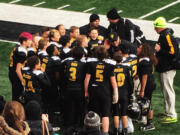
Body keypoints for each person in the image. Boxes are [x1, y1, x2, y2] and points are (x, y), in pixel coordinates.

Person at [84, 46, 118, 134]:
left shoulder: (91, 64)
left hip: (94, 90)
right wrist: (116, 93)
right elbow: (113, 82)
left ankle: (96, 131)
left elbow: (87, 79)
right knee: (105, 113)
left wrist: (86, 92)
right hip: (105, 91)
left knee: (95, 112)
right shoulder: (109, 65)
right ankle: (105, 132)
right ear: (106, 54)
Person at [154, 17, 178, 123]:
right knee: (165, 91)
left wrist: (160, 50)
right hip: (164, 67)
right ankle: (168, 111)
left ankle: (172, 115)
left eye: (155, 27)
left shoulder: (167, 36)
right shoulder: (164, 35)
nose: (154, 29)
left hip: (168, 68)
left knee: (169, 91)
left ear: (159, 27)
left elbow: (173, 53)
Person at [61, 46, 86, 129]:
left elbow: (61, 63)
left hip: (69, 88)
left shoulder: (67, 61)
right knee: (80, 109)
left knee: (70, 108)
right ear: (83, 54)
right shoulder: (84, 64)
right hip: (79, 89)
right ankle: (79, 126)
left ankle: (69, 126)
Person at [137, 43, 157, 131]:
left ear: (143, 50)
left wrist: (142, 90)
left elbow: (145, 77)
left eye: (140, 48)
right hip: (150, 83)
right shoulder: (147, 60)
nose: (138, 49)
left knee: (147, 103)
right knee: (146, 102)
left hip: (148, 85)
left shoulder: (145, 62)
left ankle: (150, 123)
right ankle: (144, 118)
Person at [112, 51, 133, 135]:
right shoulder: (126, 67)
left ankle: (116, 130)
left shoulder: (111, 67)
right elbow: (130, 82)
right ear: (122, 59)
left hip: (115, 93)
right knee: (124, 113)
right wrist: (130, 92)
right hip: (124, 92)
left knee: (116, 112)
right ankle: (125, 131)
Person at [9, 32, 32, 101]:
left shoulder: (18, 47)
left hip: (12, 71)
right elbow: (17, 69)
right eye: (30, 40)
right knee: (17, 95)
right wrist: (23, 81)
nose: (31, 42)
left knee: (15, 93)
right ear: (24, 42)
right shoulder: (22, 53)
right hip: (16, 75)